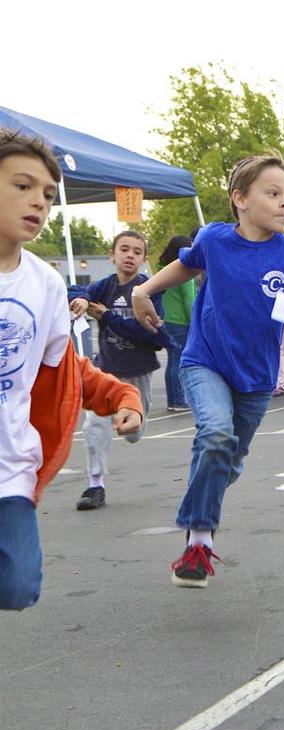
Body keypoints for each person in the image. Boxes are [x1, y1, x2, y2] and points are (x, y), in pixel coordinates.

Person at [132, 152, 284, 588]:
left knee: (229, 459)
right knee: (215, 436)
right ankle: (199, 541)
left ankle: (205, 496)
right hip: (205, 361)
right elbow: (185, 265)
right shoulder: (214, 239)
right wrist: (143, 291)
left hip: (257, 378)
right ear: (240, 198)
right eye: (273, 193)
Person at [0, 129, 143, 609]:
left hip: (9, 466)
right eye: (22, 186)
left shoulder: (44, 284)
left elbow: (67, 369)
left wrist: (122, 397)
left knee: (18, 587)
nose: (38, 202)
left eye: (46, 194)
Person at [67, 231, 171, 511]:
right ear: (111, 255)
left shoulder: (147, 291)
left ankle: (129, 419)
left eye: (137, 252)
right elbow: (75, 290)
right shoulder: (106, 287)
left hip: (138, 370)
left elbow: (146, 332)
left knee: (134, 434)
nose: (130, 256)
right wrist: (80, 299)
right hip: (107, 369)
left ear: (144, 259)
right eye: (124, 249)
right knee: (94, 426)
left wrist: (107, 316)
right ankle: (95, 484)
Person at [154, 235, 196, 411]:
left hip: (167, 319)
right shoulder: (185, 270)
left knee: (172, 359)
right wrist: (195, 321)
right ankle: (178, 400)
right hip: (181, 320)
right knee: (179, 361)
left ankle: (173, 399)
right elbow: (189, 299)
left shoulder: (162, 269)